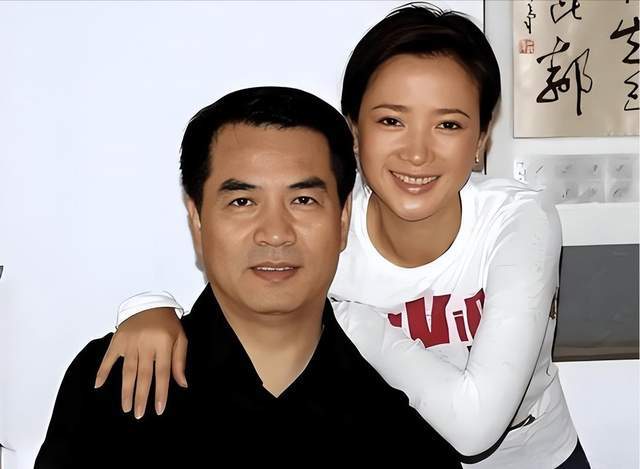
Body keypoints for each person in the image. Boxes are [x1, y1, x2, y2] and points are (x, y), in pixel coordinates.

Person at [93, 4, 590, 469]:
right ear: (354, 131)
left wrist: (352, 319)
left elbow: (475, 427)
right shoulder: (324, 223)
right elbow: (240, 286)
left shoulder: (518, 220)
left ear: (481, 138)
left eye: (448, 124)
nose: (417, 153)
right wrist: (150, 309)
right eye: (391, 120)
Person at [35, 86, 462, 468]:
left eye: (303, 200)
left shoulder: (400, 435)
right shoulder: (117, 387)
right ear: (197, 219)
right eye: (242, 201)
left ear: (342, 217)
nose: (275, 233)